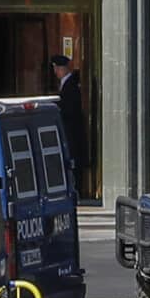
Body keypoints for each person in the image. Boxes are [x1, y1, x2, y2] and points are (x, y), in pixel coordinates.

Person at [51, 53, 89, 196]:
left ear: (62, 69)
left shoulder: (71, 86)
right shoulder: (66, 85)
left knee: (74, 163)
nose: (55, 72)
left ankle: (77, 190)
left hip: (72, 132)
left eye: (56, 69)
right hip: (69, 132)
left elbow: (70, 110)